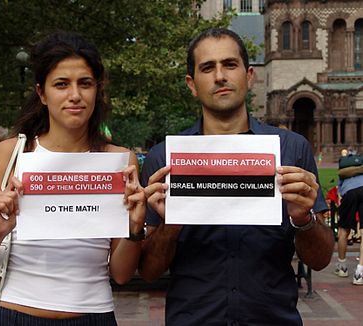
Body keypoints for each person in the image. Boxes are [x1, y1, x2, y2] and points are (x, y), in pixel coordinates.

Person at [139, 28, 334, 325]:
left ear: (250, 75)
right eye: (207, 67)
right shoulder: (164, 159)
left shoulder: (291, 149)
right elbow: (149, 271)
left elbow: (320, 260)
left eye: (230, 64)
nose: (220, 76)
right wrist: (172, 222)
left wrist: (303, 219)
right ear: (192, 84)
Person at [0, 31, 146, 325]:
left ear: (97, 90)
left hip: (93, 315)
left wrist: (135, 227)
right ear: (42, 93)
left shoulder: (119, 160)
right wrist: (0, 230)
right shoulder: (11, 154)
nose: (75, 95)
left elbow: (122, 274)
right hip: (14, 314)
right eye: (61, 84)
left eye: (85, 83)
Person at [335, 154, 363, 285]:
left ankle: (342, 267)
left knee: (343, 231)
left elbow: (339, 191)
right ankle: (359, 272)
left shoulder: (343, 172)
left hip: (349, 192)